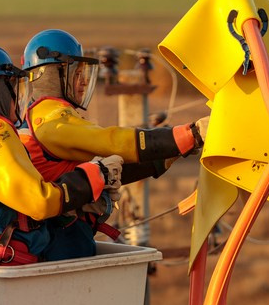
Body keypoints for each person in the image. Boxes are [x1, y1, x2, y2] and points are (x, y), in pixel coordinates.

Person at [18, 30, 209, 252]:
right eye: (75, 73)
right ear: (52, 74)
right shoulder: (52, 121)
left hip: (61, 240)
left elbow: (112, 164)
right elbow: (112, 142)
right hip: (62, 245)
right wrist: (191, 134)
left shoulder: (41, 117)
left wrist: (167, 155)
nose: (82, 82)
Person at [0, 43, 116, 265]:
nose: (17, 94)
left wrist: (82, 201)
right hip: (9, 262)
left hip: (10, 256)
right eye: (13, 84)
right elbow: (39, 201)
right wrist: (93, 176)